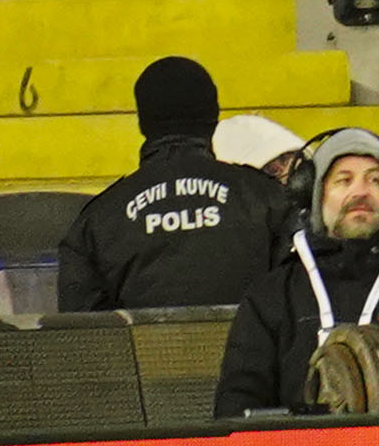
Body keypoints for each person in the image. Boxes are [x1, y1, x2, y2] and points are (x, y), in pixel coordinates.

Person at [212, 129, 379, 417]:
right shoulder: (272, 296)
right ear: (312, 194)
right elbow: (236, 408)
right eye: (344, 180)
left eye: (375, 180)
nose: (361, 192)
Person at [56, 54, 289, 311]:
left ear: (143, 123)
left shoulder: (98, 220)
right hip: (248, 338)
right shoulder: (268, 200)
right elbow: (302, 303)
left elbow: (80, 324)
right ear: (213, 118)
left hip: (141, 340)